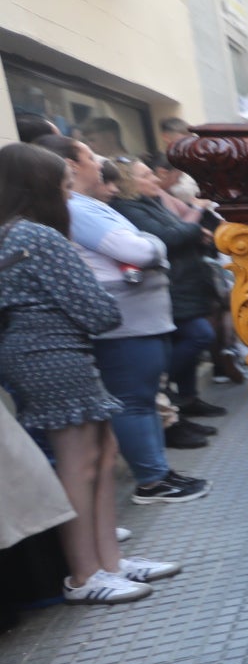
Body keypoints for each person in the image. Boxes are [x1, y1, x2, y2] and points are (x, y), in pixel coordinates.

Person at [0, 143, 178, 602]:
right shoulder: (38, 237)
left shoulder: (14, 235)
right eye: (64, 187)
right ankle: (86, 574)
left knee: (98, 453)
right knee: (82, 463)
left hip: (44, 353)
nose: (70, 198)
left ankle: (107, 564)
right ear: (40, 189)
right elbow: (99, 311)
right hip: (52, 354)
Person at [36, 136, 207, 504]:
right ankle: (152, 479)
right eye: (89, 157)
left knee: (142, 397)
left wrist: (148, 244)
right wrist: (152, 245)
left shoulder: (88, 205)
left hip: (140, 318)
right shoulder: (78, 210)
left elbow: (142, 245)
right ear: (70, 165)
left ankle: (157, 472)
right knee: (134, 400)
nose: (99, 164)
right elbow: (137, 249)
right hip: (125, 322)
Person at [110, 157, 226, 438]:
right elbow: (165, 236)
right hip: (172, 286)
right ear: (128, 181)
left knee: (191, 337)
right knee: (198, 335)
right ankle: (164, 389)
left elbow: (174, 229)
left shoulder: (150, 203)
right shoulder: (128, 208)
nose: (154, 179)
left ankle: (186, 398)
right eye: (146, 175)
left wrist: (191, 233)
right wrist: (194, 229)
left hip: (186, 282)